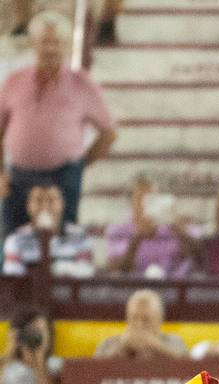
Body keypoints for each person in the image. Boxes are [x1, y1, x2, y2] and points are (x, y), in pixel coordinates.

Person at [0, 11, 118, 234]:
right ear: (34, 44)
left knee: (64, 244)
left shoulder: (81, 83)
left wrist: (80, 165)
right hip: (18, 180)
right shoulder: (14, 81)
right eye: (45, 41)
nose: (51, 48)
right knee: (13, 243)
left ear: (66, 46)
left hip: (63, 179)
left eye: (57, 42)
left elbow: (109, 133)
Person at [103, 176, 204, 278]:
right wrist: (137, 239)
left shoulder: (177, 226)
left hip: (173, 287)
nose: (145, 204)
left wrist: (177, 227)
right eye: (140, 198)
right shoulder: (118, 230)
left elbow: (202, 258)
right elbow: (115, 270)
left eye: (151, 198)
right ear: (131, 202)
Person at [2, 184, 95, 277]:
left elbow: (86, 272)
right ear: (28, 205)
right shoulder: (16, 240)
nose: (45, 206)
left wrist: (59, 268)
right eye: (38, 200)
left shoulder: (80, 236)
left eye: (52, 199)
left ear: (62, 203)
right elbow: (13, 275)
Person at [92, 289, 189, 360]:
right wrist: (121, 346)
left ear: (159, 320)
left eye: (146, 319)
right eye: (134, 318)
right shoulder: (109, 343)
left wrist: (154, 345)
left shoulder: (175, 342)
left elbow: (188, 369)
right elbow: (92, 371)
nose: (139, 324)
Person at [0, 310, 59, 384]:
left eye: (42, 332)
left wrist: (39, 362)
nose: (36, 336)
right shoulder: (5, 362)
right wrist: (10, 352)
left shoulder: (54, 364)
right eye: (33, 331)